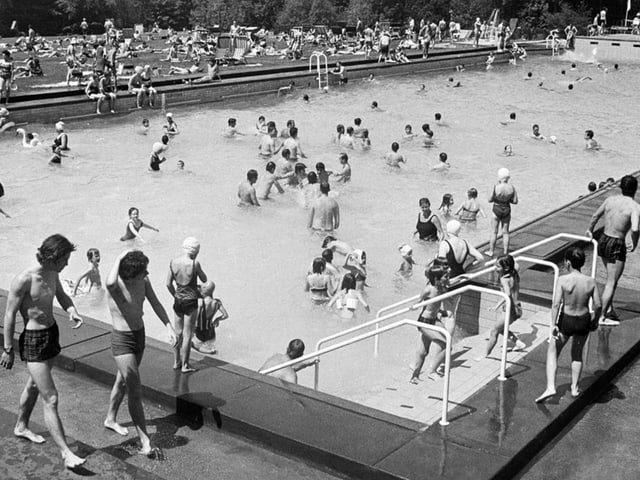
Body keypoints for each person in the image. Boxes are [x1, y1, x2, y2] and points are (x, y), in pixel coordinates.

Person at [0, 234, 86, 469]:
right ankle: (66, 452)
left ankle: (21, 426)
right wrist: (8, 349)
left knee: (34, 385)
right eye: (64, 260)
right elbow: (8, 315)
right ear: (51, 258)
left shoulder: (53, 273)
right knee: (52, 397)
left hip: (51, 334)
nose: (67, 264)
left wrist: (72, 310)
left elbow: (61, 295)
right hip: (34, 340)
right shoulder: (24, 279)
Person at [103, 250, 177, 459]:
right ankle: (145, 441)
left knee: (123, 382)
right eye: (143, 269)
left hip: (139, 335)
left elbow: (154, 302)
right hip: (122, 340)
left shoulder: (143, 281)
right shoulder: (115, 285)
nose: (147, 271)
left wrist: (168, 326)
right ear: (130, 273)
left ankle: (110, 419)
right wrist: (120, 255)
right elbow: (108, 282)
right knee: (135, 389)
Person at [535, 247, 602, 403]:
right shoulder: (590, 281)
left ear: (568, 262)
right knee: (577, 354)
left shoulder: (563, 280)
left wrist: (553, 324)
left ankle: (551, 386)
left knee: (553, 351)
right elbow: (598, 304)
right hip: (584, 319)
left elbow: (556, 304)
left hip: (567, 320)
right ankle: (574, 388)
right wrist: (595, 321)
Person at [586, 175, 639, 326]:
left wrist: (589, 230)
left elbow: (595, 216)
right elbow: (635, 228)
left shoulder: (610, 200)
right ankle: (602, 317)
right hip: (617, 243)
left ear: (620, 187)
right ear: (635, 189)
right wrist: (634, 242)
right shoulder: (634, 207)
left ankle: (609, 309)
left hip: (603, 239)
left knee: (611, 280)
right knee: (611, 282)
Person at [166, 237, 208, 373]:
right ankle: (185, 365)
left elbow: (168, 284)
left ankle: (176, 361)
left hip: (178, 300)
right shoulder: (194, 263)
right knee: (188, 334)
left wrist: (175, 295)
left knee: (177, 333)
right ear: (195, 251)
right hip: (191, 301)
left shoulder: (173, 262)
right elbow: (204, 279)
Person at [478, 254, 525, 359]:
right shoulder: (514, 273)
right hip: (517, 307)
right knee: (501, 329)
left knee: (494, 331)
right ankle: (518, 343)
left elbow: (507, 294)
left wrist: (496, 306)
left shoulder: (504, 279)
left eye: (498, 266)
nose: (495, 268)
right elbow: (516, 264)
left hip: (510, 309)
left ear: (506, 268)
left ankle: (485, 354)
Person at [410, 263, 450, 383]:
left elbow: (435, 304)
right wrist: (413, 306)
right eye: (445, 276)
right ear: (437, 279)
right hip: (425, 322)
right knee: (445, 344)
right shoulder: (429, 289)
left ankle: (414, 376)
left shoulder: (441, 287)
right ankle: (432, 371)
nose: (447, 278)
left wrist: (441, 311)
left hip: (434, 320)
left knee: (423, 352)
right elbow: (419, 301)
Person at [487, 168, 518, 256]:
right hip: (507, 208)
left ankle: (491, 251)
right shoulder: (512, 187)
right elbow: (515, 201)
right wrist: (507, 199)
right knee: (505, 232)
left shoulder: (496, 187)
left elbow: (490, 200)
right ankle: (505, 252)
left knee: (494, 231)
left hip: (496, 208)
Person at [192, 281, 229, 355]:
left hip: (200, 332)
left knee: (188, 342)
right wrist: (217, 319)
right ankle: (210, 349)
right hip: (211, 333)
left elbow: (195, 320)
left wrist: (191, 331)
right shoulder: (217, 302)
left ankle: (211, 351)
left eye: (201, 287)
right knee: (208, 344)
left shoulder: (200, 302)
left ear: (204, 289)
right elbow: (225, 315)